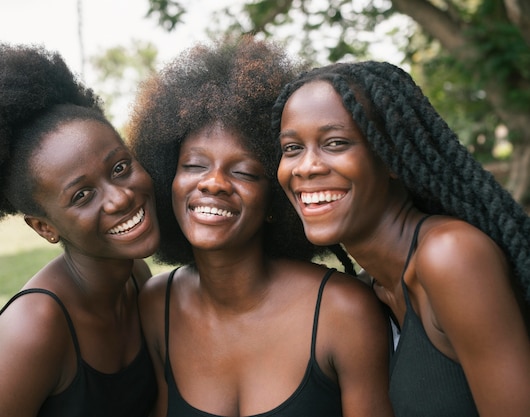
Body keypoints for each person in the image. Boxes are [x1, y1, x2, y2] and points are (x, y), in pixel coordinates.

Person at [126, 36, 394, 417]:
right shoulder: (157, 305)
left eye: (244, 172)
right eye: (193, 166)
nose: (213, 182)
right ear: (167, 176)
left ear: (274, 201)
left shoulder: (342, 310)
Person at [272, 61, 530, 417]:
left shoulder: (450, 256)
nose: (306, 167)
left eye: (335, 143)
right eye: (292, 148)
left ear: (391, 155)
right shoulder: (369, 292)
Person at [0, 43, 160, 417]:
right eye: (82, 195)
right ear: (44, 227)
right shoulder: (33, 329)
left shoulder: (135, 278)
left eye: (119, 168)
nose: (119, 199)